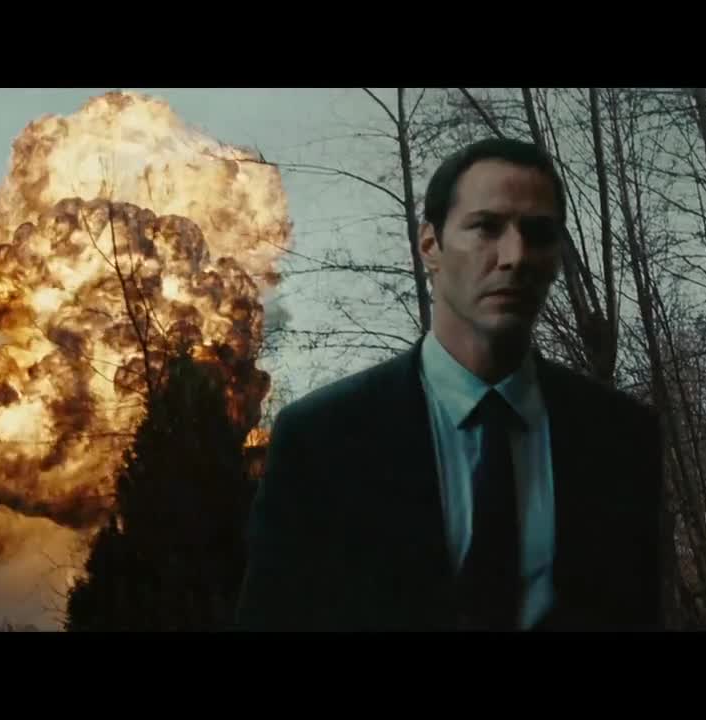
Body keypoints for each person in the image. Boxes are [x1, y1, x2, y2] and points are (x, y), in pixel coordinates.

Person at [234, 137, 664, 631]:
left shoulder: (620, 437)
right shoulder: (322, 438)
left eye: (539, 233)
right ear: (430, 246)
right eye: (486, 227)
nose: (515, 256)